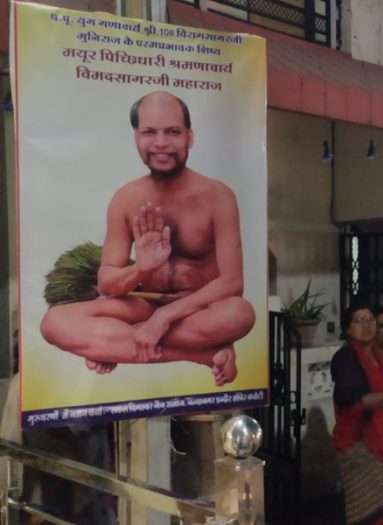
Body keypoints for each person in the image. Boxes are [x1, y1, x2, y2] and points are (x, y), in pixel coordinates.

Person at [40, 91, 255, 385]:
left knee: (239, 314)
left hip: (198, 310)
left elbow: (232, 283)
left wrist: (161, 320)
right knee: (53, 323)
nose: (161, 143)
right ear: (136, 138)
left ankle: (118, 345)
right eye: (149, 132)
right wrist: (141, 269)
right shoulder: (125, 199)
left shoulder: (218, 197)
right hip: (144, 303)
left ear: (189, 137)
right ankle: (203, 356)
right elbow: (107, 281)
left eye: (173, 132)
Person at [331, 304, 383, 525]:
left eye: (370, 320)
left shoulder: (379, 355)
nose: (366, 325)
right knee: (366, 512)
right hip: (360, 446)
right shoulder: (346, 357)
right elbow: (356, 399)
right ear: (348, 329)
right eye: (359, 321)